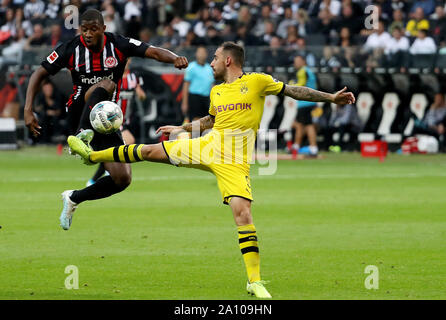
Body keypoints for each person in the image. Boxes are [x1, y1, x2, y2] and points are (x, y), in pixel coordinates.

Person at [68, 41, 355, 298]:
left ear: (228, 60)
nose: (212, 62)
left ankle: (254, 282)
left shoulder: (257, 82)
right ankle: (92, 155)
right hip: (207, 146)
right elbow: (209, 121)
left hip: (235, 161)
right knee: (149, 150)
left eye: (216, 58)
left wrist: (330, 97)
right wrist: (181, 128)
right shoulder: (217, 92)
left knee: (243, 215)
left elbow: (294, 91)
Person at [24, 9, 188, 231]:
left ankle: (73, 198)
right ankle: (83, 134)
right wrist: (27, 109)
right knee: (107, 84)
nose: (88, 34)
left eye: (93, 29)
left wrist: (174, 58)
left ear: (103, 28)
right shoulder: (71, 48)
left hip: (103, 120)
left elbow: (154, 52)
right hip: (78, 111)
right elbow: (39, 73)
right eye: (84, 29)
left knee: (122, 178)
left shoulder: (118, 44)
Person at [87, 58, 146, 186]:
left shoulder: (134, 78)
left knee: (122, 147)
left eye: (128, 59)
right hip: (110, 120)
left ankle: (97, 178)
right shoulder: (112, 77)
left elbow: (142, 96)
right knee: (122, 147)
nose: (126, 61)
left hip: (124, 120)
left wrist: (140, 93)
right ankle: (97, 178)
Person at [289, 55, 319, 157]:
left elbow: (301, 85)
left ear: (303, 61)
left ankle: (313, 148)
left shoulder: (302, 71)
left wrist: (290, 85)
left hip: (305, 102)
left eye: (297, 61)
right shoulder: (308, 71)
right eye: (295, 61)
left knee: (308, 125)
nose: (295, 63)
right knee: (299, 124)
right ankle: (296, 146)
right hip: (309, 102)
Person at [181, 46, 214, 122]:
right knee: (195, 121)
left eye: (203, 53)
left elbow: (212, 85)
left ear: (206, 54)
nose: (201, 55)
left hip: (206, 99)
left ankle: (204, 134)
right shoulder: (191, 67)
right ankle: (196, 134)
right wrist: (184, 103)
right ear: (196, 54)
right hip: (194, 98)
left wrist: (213, 102)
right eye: (200, 52)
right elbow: (186, 85)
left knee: (206, 121)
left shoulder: (210, 68)